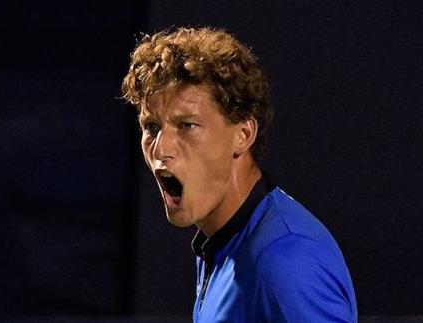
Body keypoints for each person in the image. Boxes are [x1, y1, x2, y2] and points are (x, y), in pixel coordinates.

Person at [122, 27, 357, 322]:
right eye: (151, 127)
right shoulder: (220, 242)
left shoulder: (286, 259)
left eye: (187, 125)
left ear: (243, 135)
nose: (159, 149)